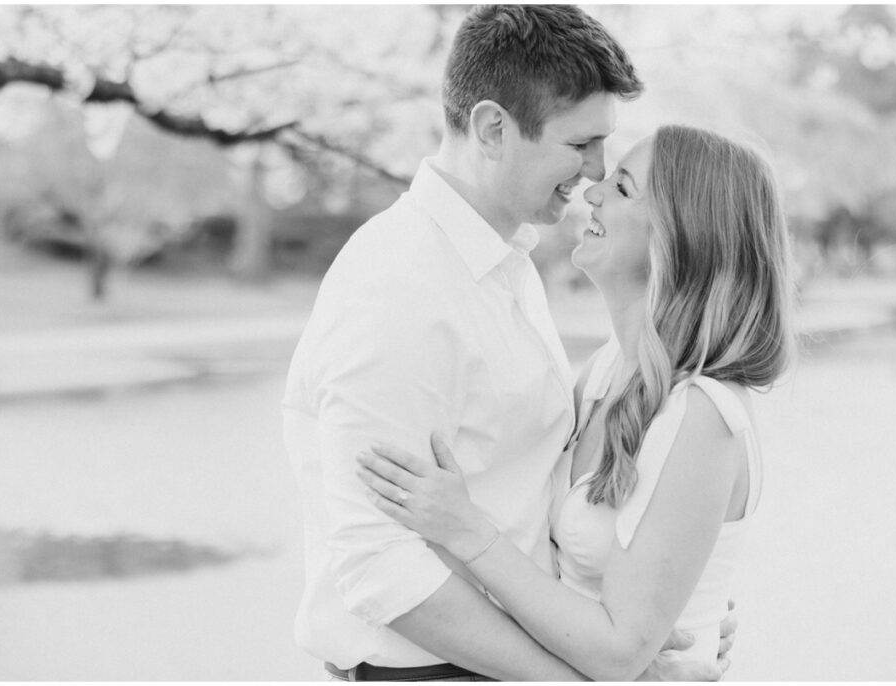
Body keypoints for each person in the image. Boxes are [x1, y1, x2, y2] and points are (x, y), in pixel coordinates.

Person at [283, 6, 733, 681]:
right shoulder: (396, 287)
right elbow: (378, 566)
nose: (594, 172)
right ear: (494, 128)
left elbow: (526, 486)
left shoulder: (505, 264)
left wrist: (655, 616)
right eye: (580, 145)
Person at [357, 125, 796, 680]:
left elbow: (618, 652)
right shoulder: (606, 371)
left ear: (682, 236)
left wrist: (465, 529)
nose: (592, 191)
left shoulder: (702, 414)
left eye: (624, 188)